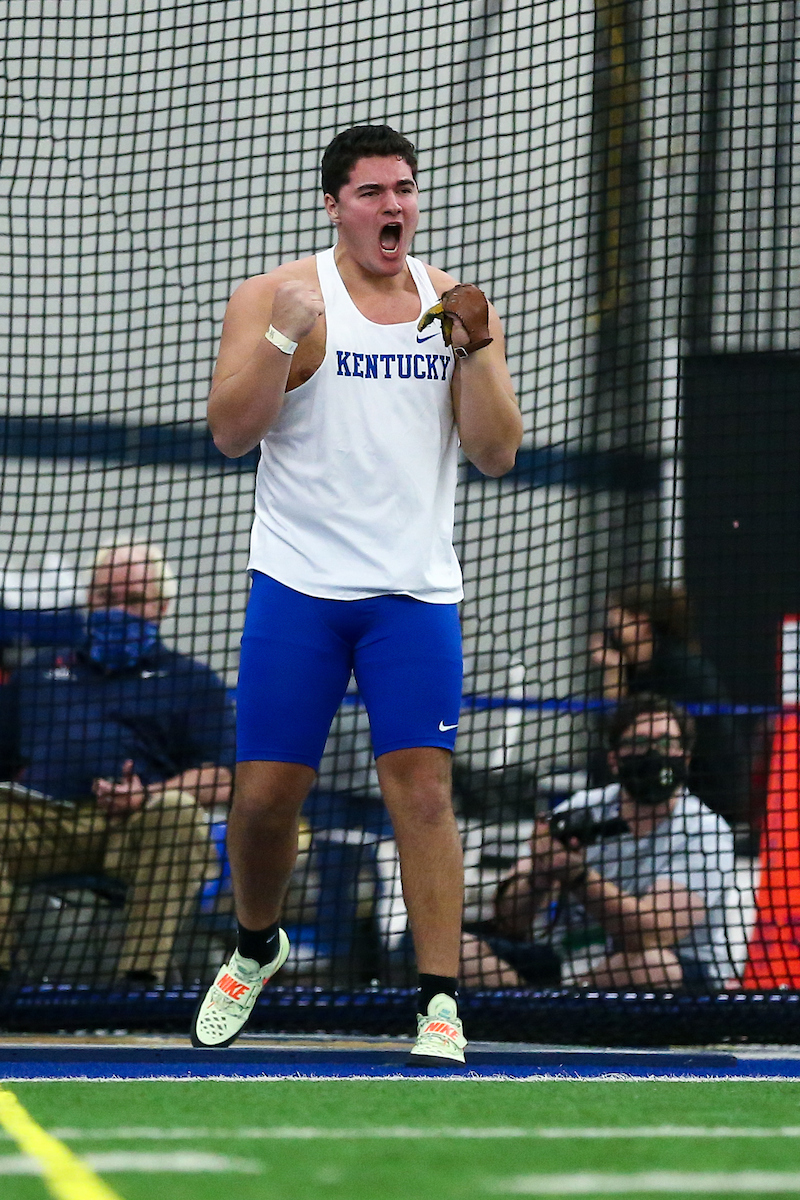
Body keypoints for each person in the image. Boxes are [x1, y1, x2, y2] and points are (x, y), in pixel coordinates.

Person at [191, 124, 522, 1064]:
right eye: (373, 192)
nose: (394, 208)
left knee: (421, 792)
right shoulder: (278, 294)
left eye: (404, 190)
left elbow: (498, 453)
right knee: (263, 799)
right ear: (333, 203)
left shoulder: (453, 303)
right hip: (298, 585)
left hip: (412, 595)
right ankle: (258, 946)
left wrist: (479, 348)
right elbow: (229, 432)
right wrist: (281, 338)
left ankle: (439, 1004)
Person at [0, 541, 236, 985]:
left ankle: (138, 983)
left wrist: (148, 794)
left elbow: (221, 780)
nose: (117, 610)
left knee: (181, 813)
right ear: (89, 600)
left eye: (132, 600)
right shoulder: (37, 673)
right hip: (43, 827)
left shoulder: (192, 681)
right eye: (106, 598)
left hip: (136, 830)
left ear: (161, 607)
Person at [460, 694, 737, 992]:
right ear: (614, 761)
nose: (653, 754)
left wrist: (576, 876)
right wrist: (541, 872)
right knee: (453, 949)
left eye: (665, 743)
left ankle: (548, 1011)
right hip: (570, 964)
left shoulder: (706, 829)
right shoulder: (581, 809)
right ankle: (547, 1010)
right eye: (639, 743)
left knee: (653, 966)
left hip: (678, 976)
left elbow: (652, 933)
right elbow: (509, 921)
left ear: (685, 757)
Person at [589, 583, 747, 827]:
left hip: (705, 790)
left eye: (617, 617)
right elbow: (611, 734)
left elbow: (626, 729)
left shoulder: (680, 669)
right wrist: (615, 672)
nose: (610, 628)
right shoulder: (635, 670)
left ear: (641, 623)